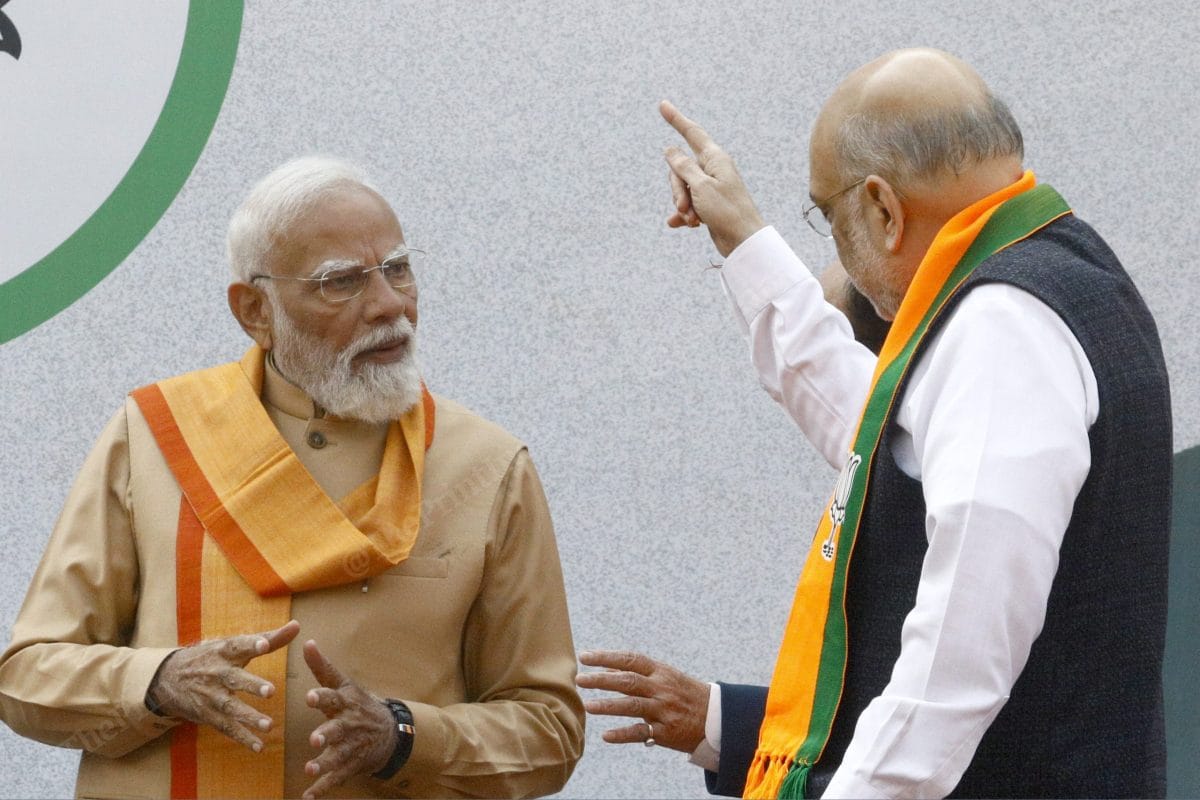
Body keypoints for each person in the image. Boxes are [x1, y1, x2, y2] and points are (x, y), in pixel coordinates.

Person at [579, 48, 1170, 798]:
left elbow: (953, 668)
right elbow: (880, 435)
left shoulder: (999, 330)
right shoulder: (1056, 273)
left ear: (886, 210)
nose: (833, 245)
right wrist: (745, 239)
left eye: (827, 215)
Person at [0, 157, 584, 799]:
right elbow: (26, 677)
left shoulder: (487, 465)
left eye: (398, 269)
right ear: (255, 311)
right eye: (342, 283)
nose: (390, 306)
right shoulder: (156, 436)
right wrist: (159, 681)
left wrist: (403, 738)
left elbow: (548, 731)